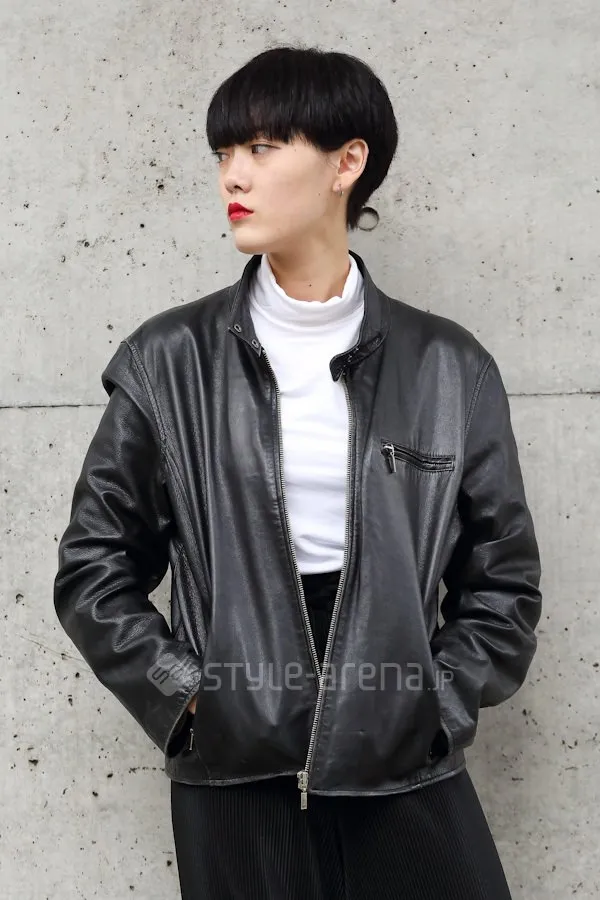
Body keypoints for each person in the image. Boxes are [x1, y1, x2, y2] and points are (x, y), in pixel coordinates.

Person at [54, 44, 542, 899]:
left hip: (401, 752)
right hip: (235, 762)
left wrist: (436, 705)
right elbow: (94, 566)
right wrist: (190, 700)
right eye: (224, 152)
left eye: (263, 147)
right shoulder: (167, 361)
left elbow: (502, 582)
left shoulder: (447, 368)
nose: (232, 175)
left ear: (346, 163)